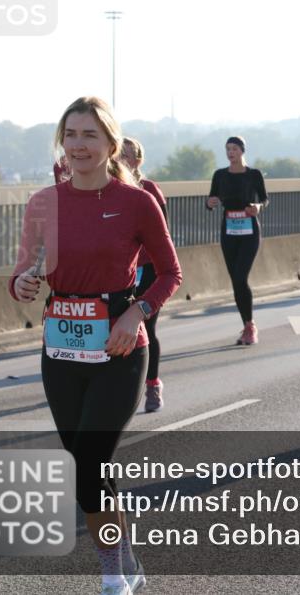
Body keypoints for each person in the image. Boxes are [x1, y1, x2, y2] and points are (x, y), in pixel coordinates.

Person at [10, 96, 182, 595]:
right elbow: (24, 266)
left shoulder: (136, 201)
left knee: (89, 465)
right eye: (71, 135)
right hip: (61, 348)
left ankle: (112, 579)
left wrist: (137, 312)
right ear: (61, 143)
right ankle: (125, 558)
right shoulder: (44, 202)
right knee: (87, 468)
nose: (79, 145)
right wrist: (21, 283)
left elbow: (170, 273)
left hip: (120, 346)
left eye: (90, 135)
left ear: (111, 143)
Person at [121, 137, 169, 412]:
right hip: (121, 271)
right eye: (117, 155)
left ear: (138, 161)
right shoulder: (108, 189)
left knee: (146, 327)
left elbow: (163, 235)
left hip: (149, 270)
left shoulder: (149, 189)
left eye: (127, 156)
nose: (121, 161)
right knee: (118, 327)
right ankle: (123, 387)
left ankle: (152, 385)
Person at [207, 136, 269, 346]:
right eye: (227, 149)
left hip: (249, 230)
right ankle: (247, 326)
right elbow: (211, 200)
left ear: (242, 151)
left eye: (234, 149)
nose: (230, 152)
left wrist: (258, 207)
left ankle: (250, 326)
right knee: (235, 281)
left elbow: (264, 199)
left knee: (241, 277)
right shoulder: (220, 175)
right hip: (229, 231)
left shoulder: (254, 174)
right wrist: (211, 202)